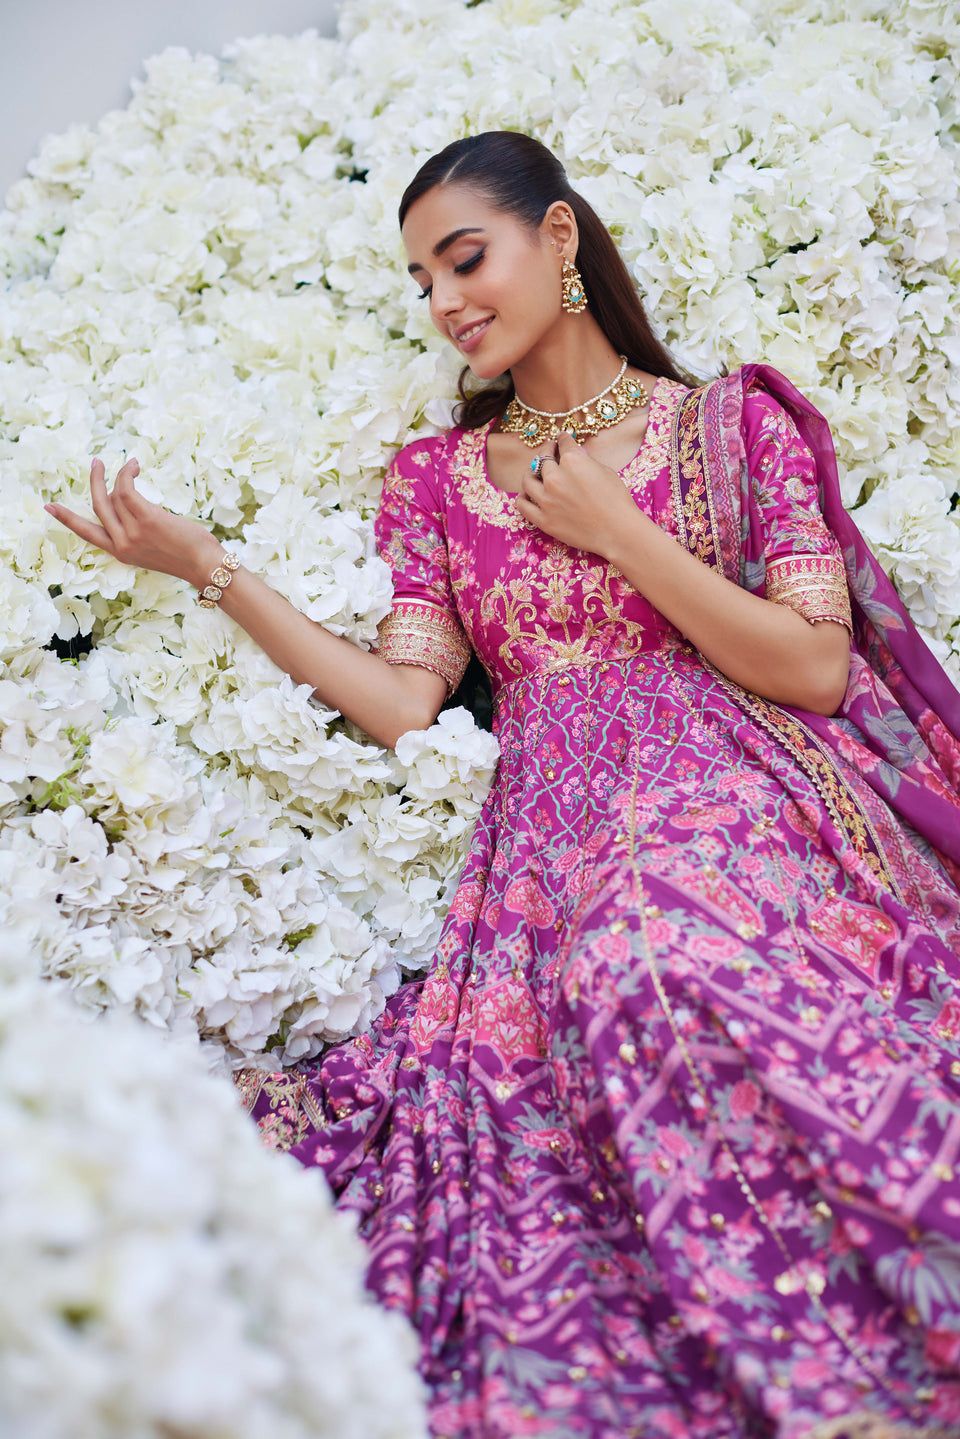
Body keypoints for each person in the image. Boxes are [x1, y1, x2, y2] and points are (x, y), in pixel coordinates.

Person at [45, 130, 960, 1439]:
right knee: (602, 992)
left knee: (679, 949)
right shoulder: (437, 481)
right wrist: (210, 567)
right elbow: (404, 703)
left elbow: (813, 668)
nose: (445, 301)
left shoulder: (731, 421)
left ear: (562, 240)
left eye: (465, 258)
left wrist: (617, 530)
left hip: (748, 783)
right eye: (423, 280)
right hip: (549, 834)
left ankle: (862, 1342)